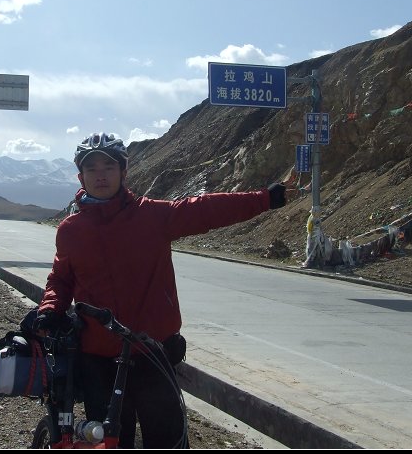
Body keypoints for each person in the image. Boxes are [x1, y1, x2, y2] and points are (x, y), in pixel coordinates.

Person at [33, 132, 287, 448]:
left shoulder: (152, 216)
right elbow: (60, 280)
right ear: (81, 176)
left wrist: (263, 199)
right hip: (99, 357)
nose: (101, 175)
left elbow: (205, 209)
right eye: (92, 168)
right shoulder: (71, 230)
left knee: (166, 440)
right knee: (111, 441)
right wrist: (49, 309)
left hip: (151, 352)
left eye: (109, 167)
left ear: (124, 172)